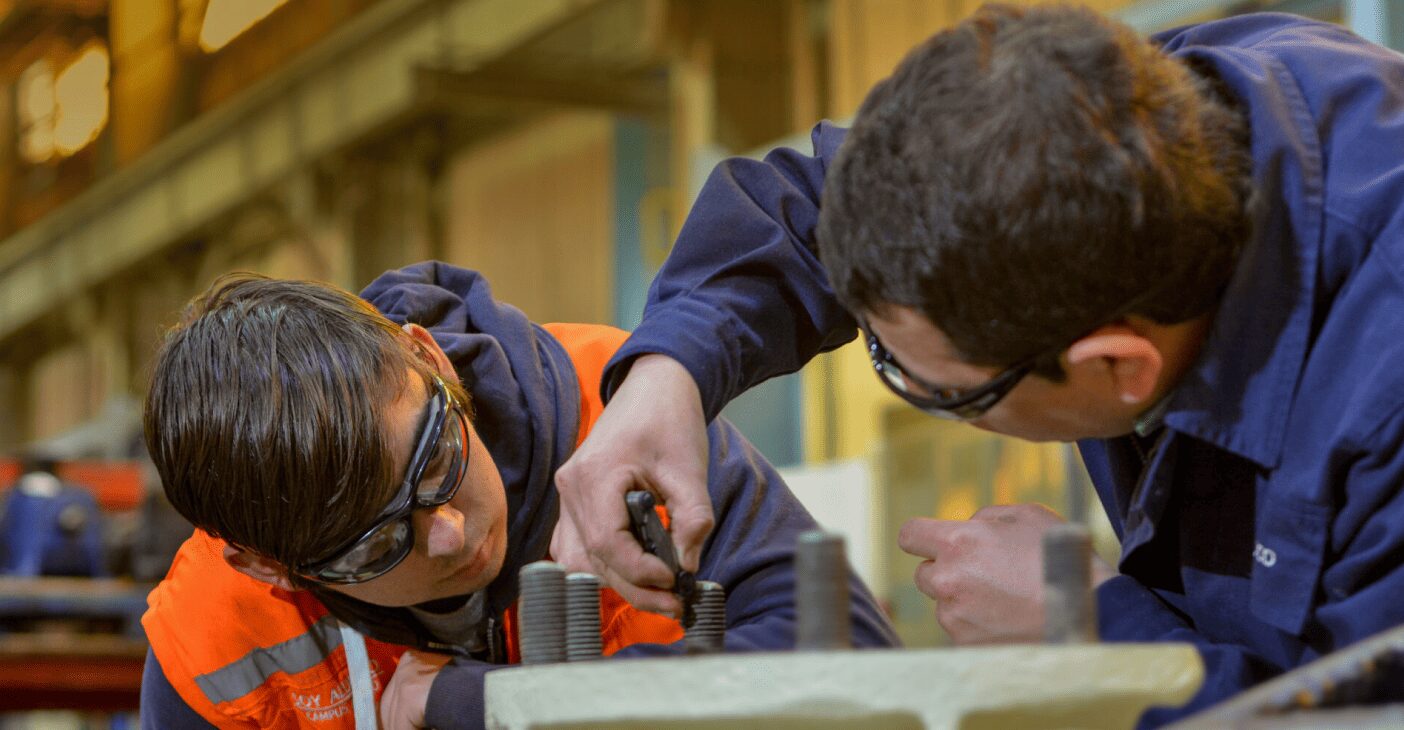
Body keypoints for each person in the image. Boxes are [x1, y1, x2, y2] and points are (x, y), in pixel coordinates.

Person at [551, 4, 1404, 724]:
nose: (906, 384)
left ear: (1120, 366)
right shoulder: (1112, 119)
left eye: (941, 390)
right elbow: (821, 206)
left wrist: (1090, 628)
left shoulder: (1380, 387)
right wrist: (668, 375)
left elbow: (1361, 714)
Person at [138, 263, 897, 730]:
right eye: (377, 544)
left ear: (428, 357)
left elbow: (854, 668)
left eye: (436, 460)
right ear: (271, 567)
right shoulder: (216, 635)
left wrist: (476, 703)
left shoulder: (618, 419)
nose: (449, 532)